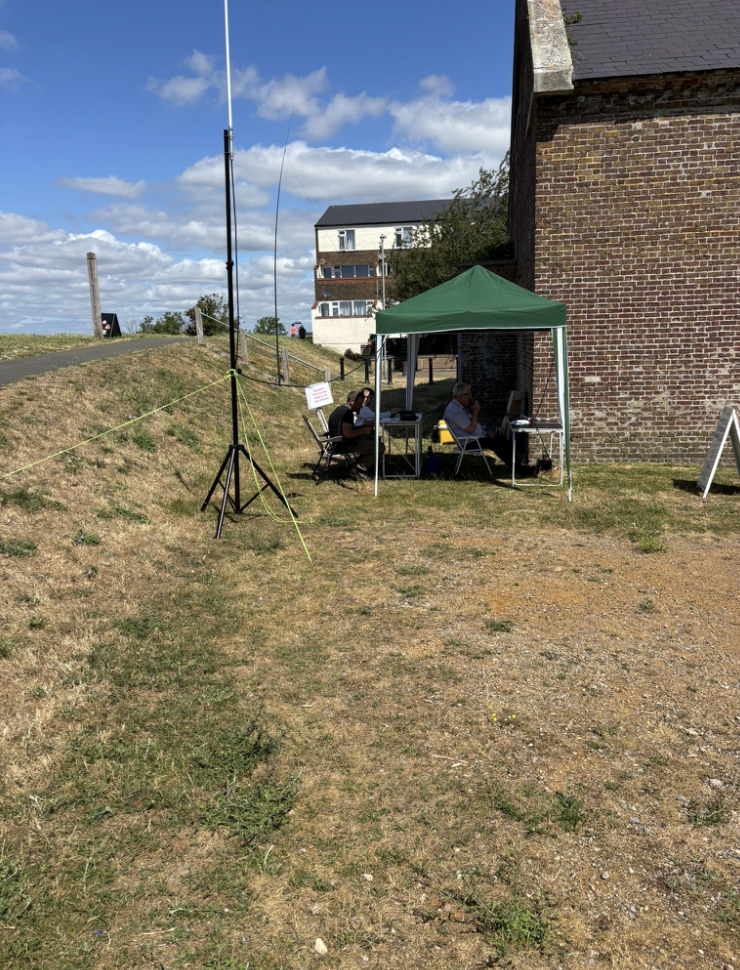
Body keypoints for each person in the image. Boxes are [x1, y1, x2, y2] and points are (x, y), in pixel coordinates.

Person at [328, 390, 385, 479]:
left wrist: (364, 427)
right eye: (359, 404)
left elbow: (348, 428)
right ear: (351, 402)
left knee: (375, 438)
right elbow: (348, 433)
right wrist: (364, 430)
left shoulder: (342, 409)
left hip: (340, 442)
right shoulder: (348, 413)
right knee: (380, 446)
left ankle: (365, 466)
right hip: (344, 445)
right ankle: (357, 469)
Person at [443, 383, 498, 448]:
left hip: (475, 438)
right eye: (468, 395)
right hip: (470, 442)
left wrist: (485, 432)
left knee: (500, 438)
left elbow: (472, 424)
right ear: (460, 396)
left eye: (471, 394)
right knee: (500, 442)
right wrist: (475, 411)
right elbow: (470, 430)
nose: (471, 397)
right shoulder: (455, 411)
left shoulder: (461, 407)